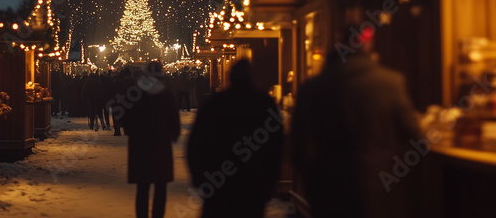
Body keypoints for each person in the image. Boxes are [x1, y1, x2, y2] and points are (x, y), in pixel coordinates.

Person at [291, 16, 424, 218]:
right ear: (368, 43)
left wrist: (312, 181)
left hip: (326, 189)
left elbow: (299, 146)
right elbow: (414, 135)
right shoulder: (390, 82)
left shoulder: (312, 88)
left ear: (339, 44)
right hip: (377, 185)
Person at [186, 59, 283, 218]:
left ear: (230, 77)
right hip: (253, 185)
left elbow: (195, 144)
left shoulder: (214, 104)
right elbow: (276, 146)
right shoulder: (264, 104)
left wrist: (200, 177)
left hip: (218, 184)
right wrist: (270, 180)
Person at [121, 61, 180, 218]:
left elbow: (125, 118)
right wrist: (172, 134)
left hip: (140, 147)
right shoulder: (166, 95)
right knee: (160, 188)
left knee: (142, 188)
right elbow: (174, 121)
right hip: (161, 147)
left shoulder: (135, 94)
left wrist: (133, 131)